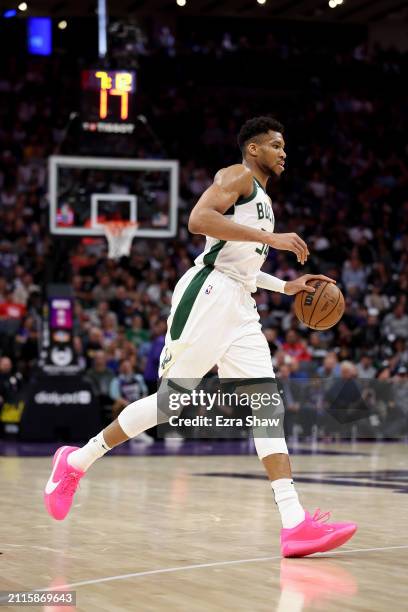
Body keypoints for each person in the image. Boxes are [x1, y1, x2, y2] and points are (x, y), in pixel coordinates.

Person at [44, 116, 357, 558]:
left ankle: (294, 522)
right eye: (276, 145)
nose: (284, 152)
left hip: (242, 303)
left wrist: (286, 286)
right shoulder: (238, 175)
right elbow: (199, 220)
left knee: (267, 404)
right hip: (208, 294)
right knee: (170, 403)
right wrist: (273, 238)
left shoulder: (264, 199)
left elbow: (241, 266)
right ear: (253, 148)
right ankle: (74, 462)